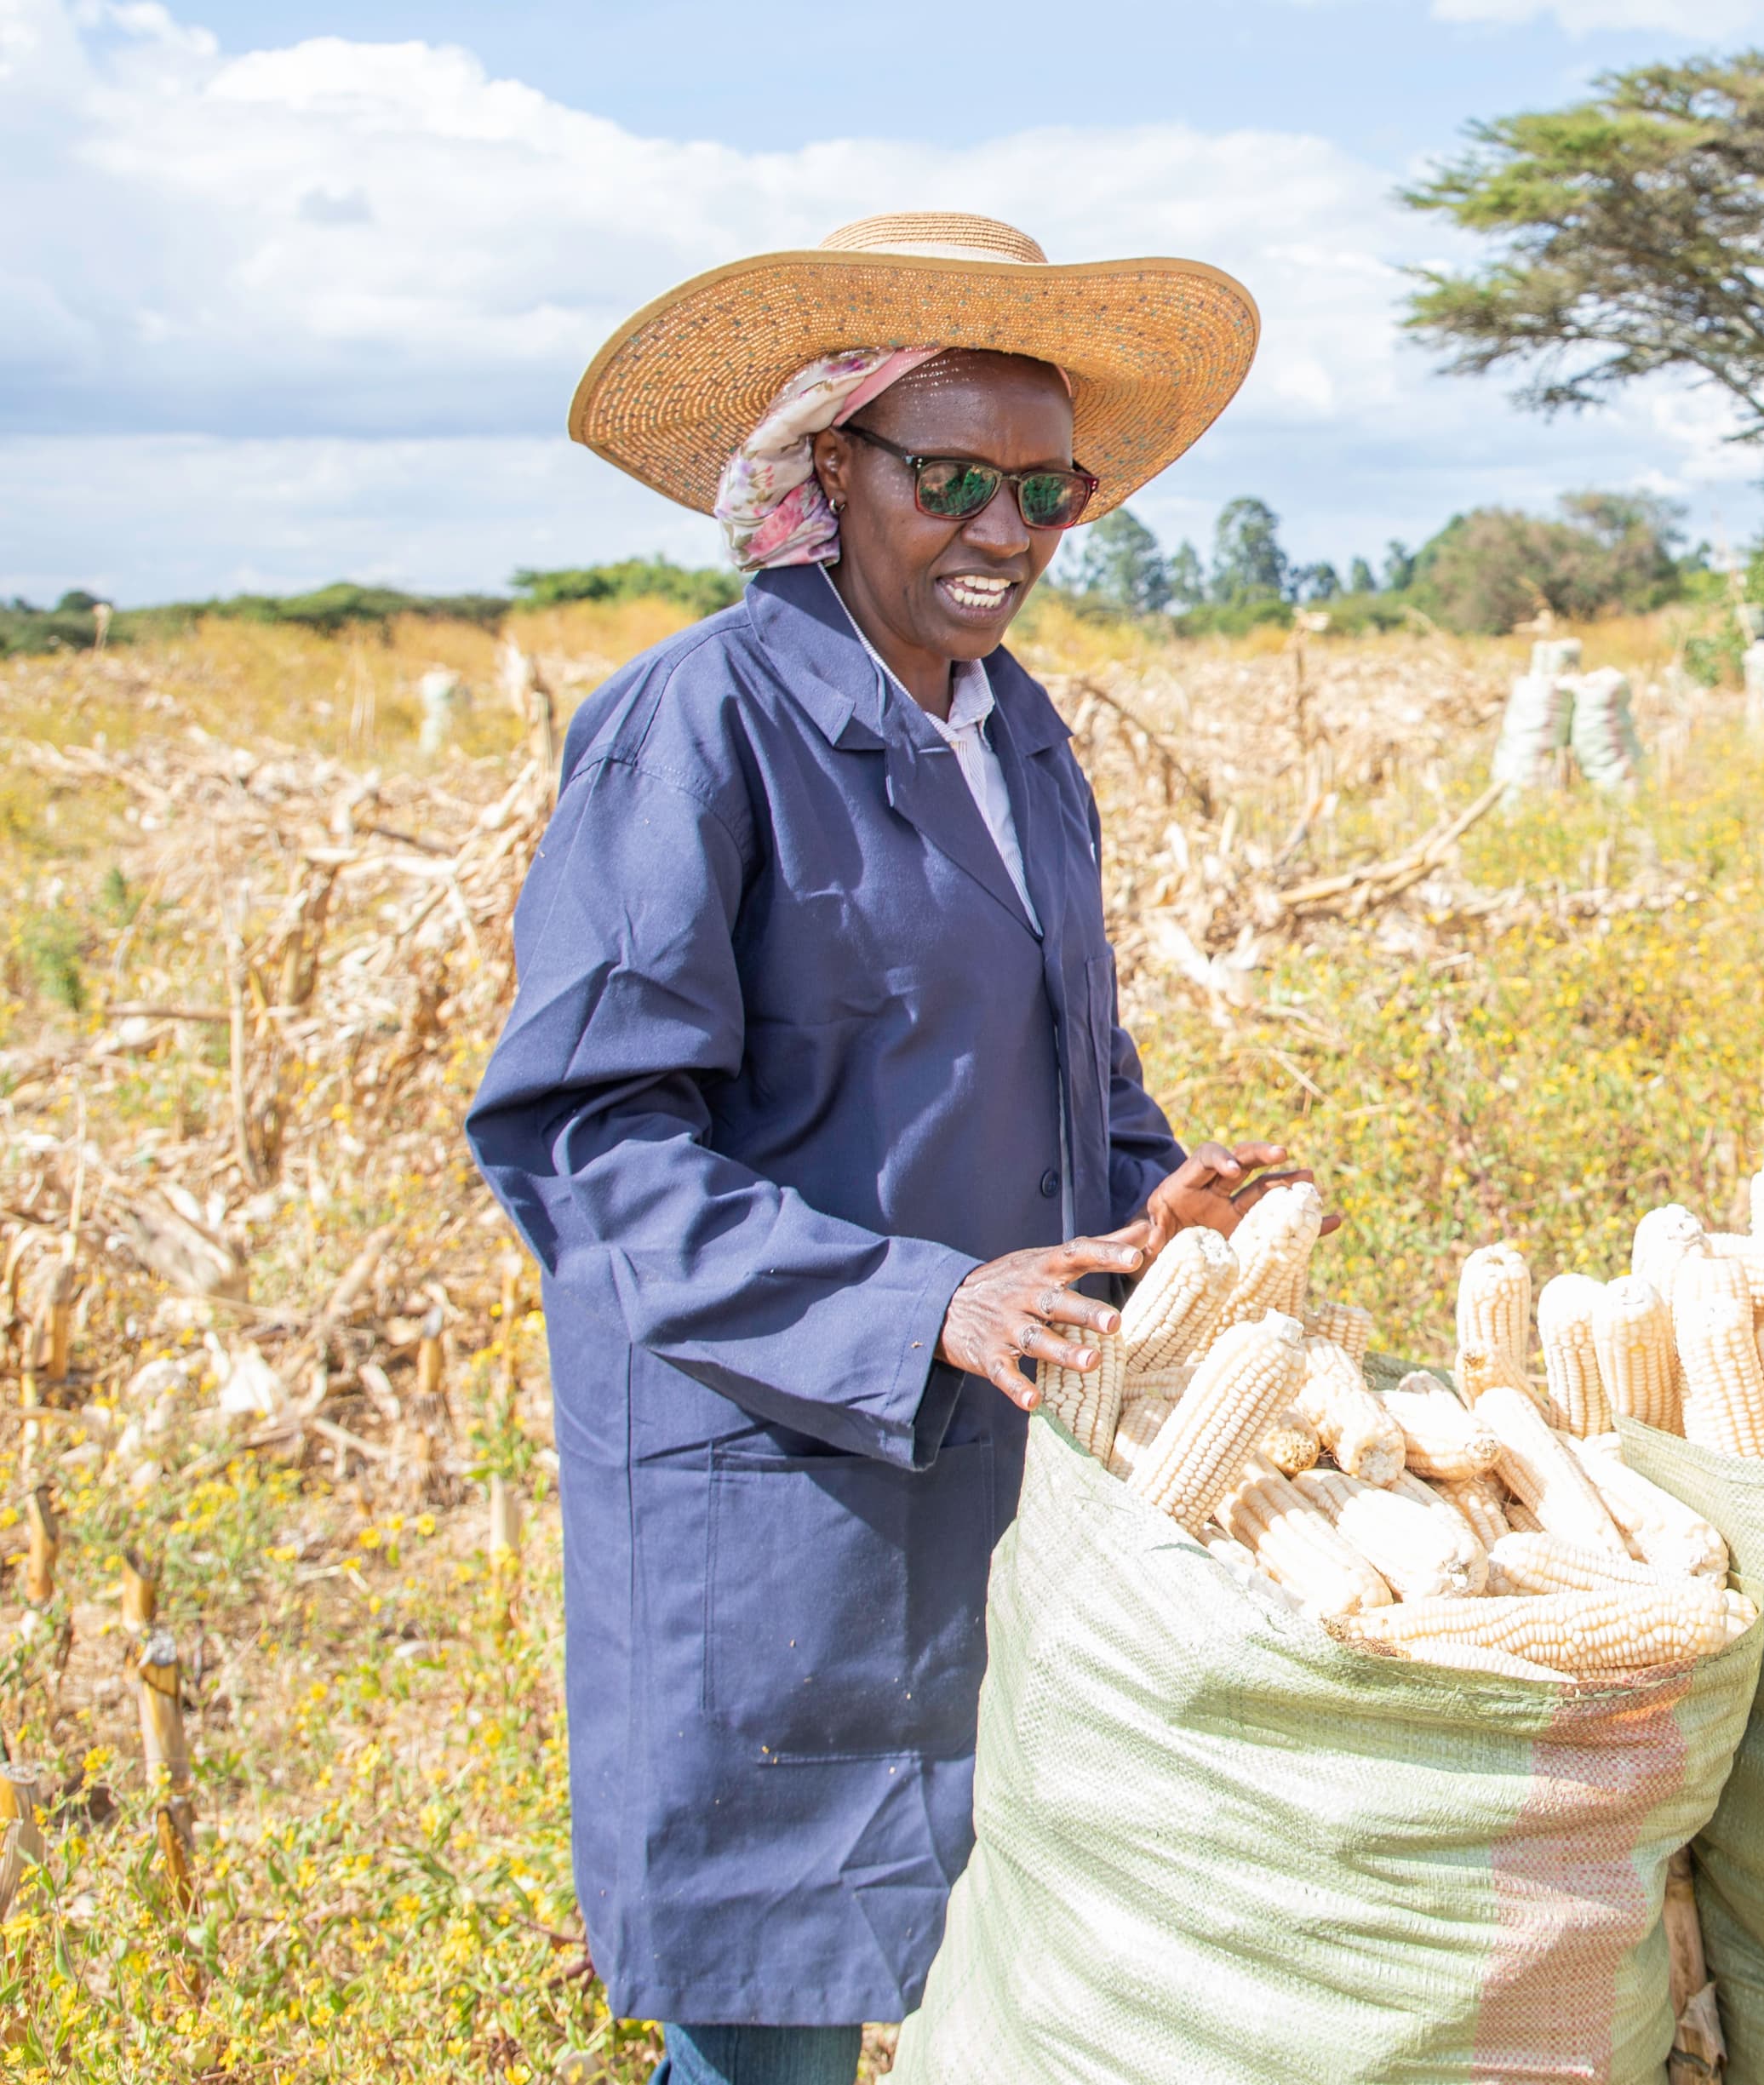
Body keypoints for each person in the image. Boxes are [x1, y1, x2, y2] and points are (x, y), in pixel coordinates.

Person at [468, 214, 1286, 2085]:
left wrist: (1149, 1202)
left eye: (1049, 487)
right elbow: (584, 1140)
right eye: (955, 480)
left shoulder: (1022, 736)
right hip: (782, 1497)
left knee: (985, 1987)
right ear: (823, 476)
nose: (1007, 531)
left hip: (1000, 1485)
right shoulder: (699, 732)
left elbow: (1065, 1049)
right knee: (766, 2036)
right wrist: (919, 1301)